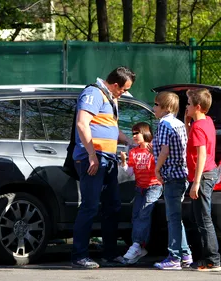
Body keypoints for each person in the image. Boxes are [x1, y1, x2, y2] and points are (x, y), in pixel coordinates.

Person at [71, 66, 136, 269]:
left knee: (112, 206)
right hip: (93, 158)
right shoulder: (93, 93)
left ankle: (109, 253)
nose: (124, 93)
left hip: (108, 159)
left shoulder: (111, 98)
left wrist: (131, 142)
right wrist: (91, 155)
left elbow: (111, 129)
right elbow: (82, 124)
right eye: (124, 89)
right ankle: (79, 256)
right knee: (90, 206)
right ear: (115, 85)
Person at [152, 91, 193, 270]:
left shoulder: (164, 124)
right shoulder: (179, 124)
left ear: (166, 108)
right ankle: (185, 254)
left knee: (173, 218)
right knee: (176, 217)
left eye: (156, 105)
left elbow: (164, 150)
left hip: (172, 175)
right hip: (182, 175)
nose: (153, 108)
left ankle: (174, 257)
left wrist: (157, 168)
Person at [184, 88, 221, 272]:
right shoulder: (206, 121)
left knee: (204, 219)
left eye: (189, 104)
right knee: (198, 218)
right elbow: (195, 139)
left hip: (203, 175)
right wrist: (187, 124)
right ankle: (205, 259)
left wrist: (196, 183)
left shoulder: (199, 127)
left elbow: (201, 154)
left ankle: (213, 261)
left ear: (198, 107)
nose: (186, 106)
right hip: (209, 172)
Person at [119, 122, 162, 264]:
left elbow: (161, 166)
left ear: (145, 133)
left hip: (154, 186)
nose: (134, 136)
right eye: (133, 133)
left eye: (137, 133)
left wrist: (154, 154)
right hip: (140, 187)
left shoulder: (154, 148)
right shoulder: (133, 152)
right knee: (136, 215)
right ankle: (139, 246)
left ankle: (137, 244)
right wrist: (124, 163)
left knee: (144, 213)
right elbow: (131, 172)